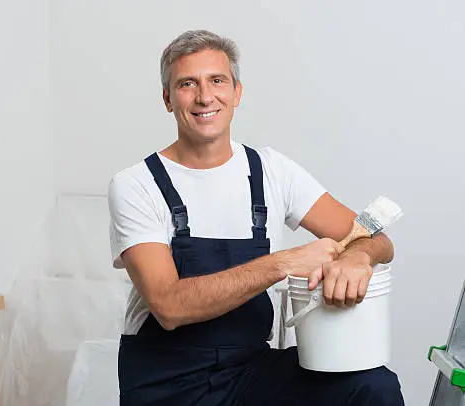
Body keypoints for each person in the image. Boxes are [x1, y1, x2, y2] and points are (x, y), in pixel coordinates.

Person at [107, 29, 405, 406]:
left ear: (237, 92)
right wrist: (284, 262)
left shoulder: (271, 172)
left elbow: (377, 238)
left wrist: (356, 257)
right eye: (187, 84)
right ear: (167, 99)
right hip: (165, 384)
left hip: (249, 371)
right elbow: (169, 306)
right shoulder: (136, 185)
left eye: (217, 81)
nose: (204, 97)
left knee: (373, 386)